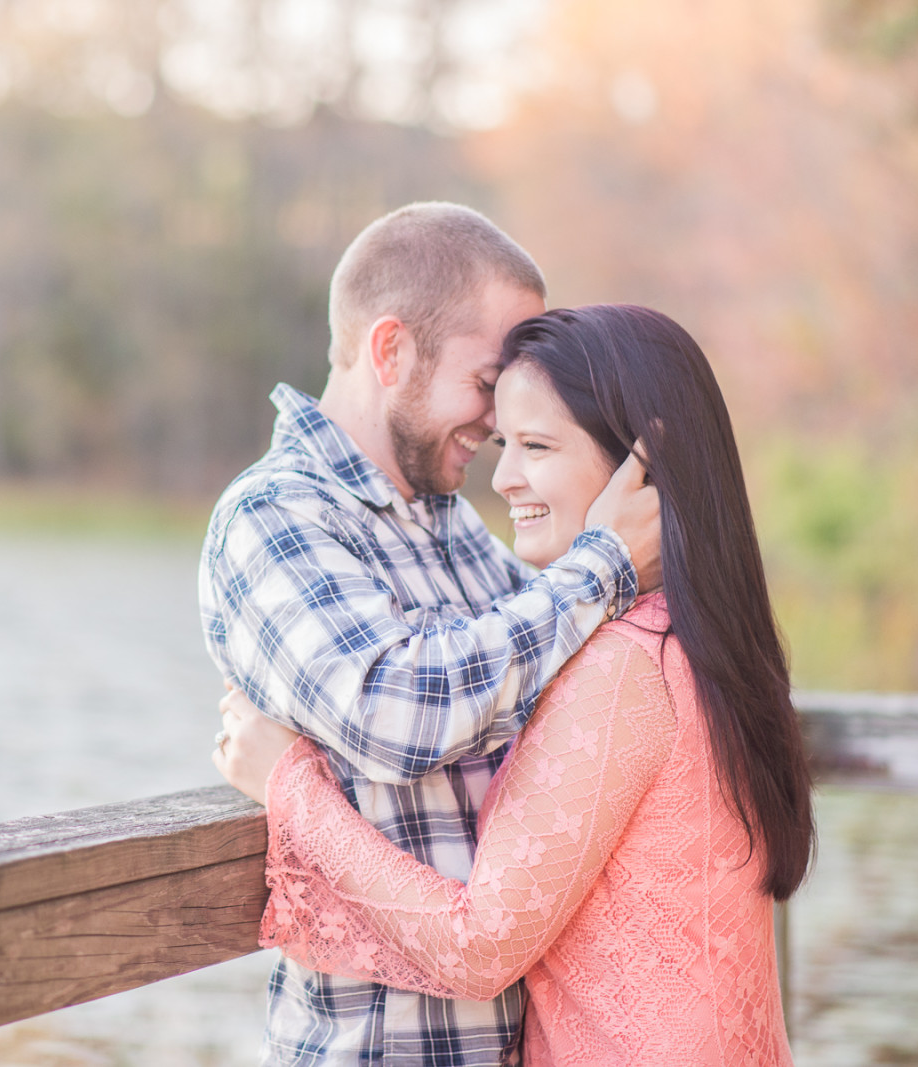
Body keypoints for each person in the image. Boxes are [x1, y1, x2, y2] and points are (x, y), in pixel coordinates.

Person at [215, 305, 815, 1065]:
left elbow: (477, 947)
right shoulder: (699, 640)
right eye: (504, 443)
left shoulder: (625, 665)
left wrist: (289, 785)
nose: (502, 478)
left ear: (645, 466)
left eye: (536, 445)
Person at [199, 205, 662, 1066]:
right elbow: (398, 712)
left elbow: (564, 692)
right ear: (391, 351)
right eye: (488, 381)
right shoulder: (275, 516)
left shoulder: (448, 524)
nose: (496, 421)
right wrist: (603, 562)